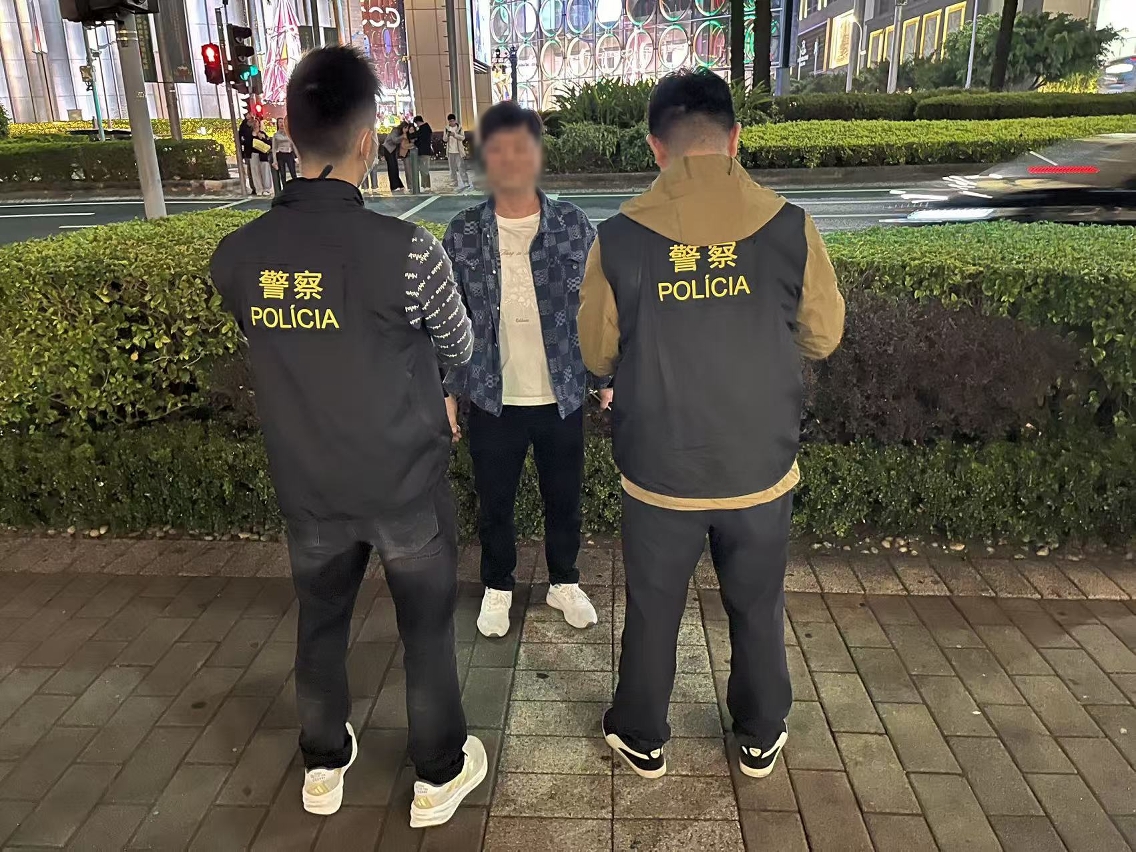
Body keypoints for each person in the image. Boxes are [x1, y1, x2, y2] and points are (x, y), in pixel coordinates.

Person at [209, 46, 487, 827]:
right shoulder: (410, 253)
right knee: (425, 630)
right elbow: (460, 345)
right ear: (368, 140)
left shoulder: (238, 257)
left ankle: (324, 763)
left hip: (309, 484)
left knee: (321, 620)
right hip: (403, 483)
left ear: (289, 133)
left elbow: (267, 335)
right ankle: (437, 775)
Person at [578, 70, 845, 781]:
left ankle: (641, 733)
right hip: (759, 466)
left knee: (654, 608)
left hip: (660, 469)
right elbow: (822, 336)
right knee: (757, 604)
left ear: (655, 146)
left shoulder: (619, 238)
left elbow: (596, 352)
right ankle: (760, 731)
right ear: (735, 139)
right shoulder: (790, 227)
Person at [443, 101, 611, 639]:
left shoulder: (572, 226)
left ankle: (564, 580)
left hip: (561, 393)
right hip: (493, 396)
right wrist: (449, 391)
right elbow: (450, 320)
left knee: (565, 498)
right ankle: (498, 586)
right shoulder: (464, 232)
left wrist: (604, 377)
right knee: (495, 502)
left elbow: (596, 306)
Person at [444, 113, 469, 190]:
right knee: (452, 168)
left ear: (455, 120)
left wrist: (455, 135)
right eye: (450, 121)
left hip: (458, 151)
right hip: (450, 151)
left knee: (461, 167)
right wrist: (447, 135)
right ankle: (454, 181)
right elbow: (444, 139)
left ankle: (465, 181)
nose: (451, 122)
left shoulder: (459, 128)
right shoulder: (446, 128)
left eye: (452, 121)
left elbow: (462, 137)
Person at [250, 120, 274, 196]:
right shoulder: (249, 134)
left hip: (263, 155)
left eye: (256, 122)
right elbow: (247, 144)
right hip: (253, 154)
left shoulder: (262, 133)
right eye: (254, 122)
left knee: (265, 171)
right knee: (255, 172)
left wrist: (262, 138)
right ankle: (259, 189)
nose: (255, 124)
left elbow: (269, 143)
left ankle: (267, 189)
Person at [272, 117, 298, 186]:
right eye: (280, 122)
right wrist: (274, 160)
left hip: (289, 154)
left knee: (293, 173)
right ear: (277, 124)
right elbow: (274, 149)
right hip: (281, 154)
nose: (282, 124)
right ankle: (285, 188)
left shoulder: (289, 134)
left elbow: (293, 146)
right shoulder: (276, 135)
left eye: (283, 122)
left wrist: (297, 156)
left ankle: (296, 187)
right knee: (283, 174)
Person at [381, 121, 405, 192]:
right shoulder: (395, 130)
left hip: (393, 150)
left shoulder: (399, 132)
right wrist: (402, 136)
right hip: (388, 149)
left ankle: (399, 184)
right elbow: (394, 140)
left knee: (395, 167)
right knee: (392, 167)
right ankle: (394, 186)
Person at [411, 115, 433, 190]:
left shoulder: (423, 129)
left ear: (418, 122)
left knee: (424, 169)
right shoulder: (426, 128)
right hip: (426, 151)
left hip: (423, 152)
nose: (416, 125)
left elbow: (420, 140)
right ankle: (426, 185)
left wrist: (414, 141)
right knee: (425, 169)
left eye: (416, 124)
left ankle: (426, 185)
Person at [238, 115, 255, 195]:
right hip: (248, 153)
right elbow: (241, 131)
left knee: (255, 171)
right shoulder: (245, 130)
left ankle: (257, 187)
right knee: (251, 171)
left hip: (256, 153)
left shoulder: (255, 129)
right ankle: (254, 187)